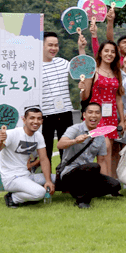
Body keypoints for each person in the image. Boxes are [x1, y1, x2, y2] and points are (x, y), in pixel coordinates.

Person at [56, 102, 122, 208]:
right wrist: (75, 141)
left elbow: (102, 161)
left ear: (100, 116)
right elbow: (60, 144)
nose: (93, 115)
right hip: (70, 173)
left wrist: (105, 179)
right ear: (84, 115)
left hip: (89, 174)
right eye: (90, 112)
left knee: (115, 185)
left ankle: (79, 191)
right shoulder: (75, 129)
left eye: (97, 113)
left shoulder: (100, 136)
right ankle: (82, 201)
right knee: (93, 167)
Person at [0, 107, 54, 208]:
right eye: (32, 118)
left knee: (57, 179)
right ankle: (13, 198)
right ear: (24, 120)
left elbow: (43, 159)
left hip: (27, 176)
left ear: (42, 121)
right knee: (40, 193)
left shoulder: (38, 136)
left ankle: (29, 194)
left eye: (39, 118)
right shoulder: (12, 134)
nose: (36, 121)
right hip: (12, 178)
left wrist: (48, 181)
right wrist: (0, 142)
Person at [79, 40, 125, 176]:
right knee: (105, 147)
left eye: (112, 52)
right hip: (96, 115)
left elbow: (118, 98)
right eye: (106, 51)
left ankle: (107, 181)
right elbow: (85, 97)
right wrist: (82, 88)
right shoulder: (93, 71)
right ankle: (103, 181)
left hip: (111, 116)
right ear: (100, 53)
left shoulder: (116, 72)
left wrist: (122, 120)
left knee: (107, 152)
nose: (109, 54)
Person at [39, 32, 76, 170]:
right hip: (45, 114)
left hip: (65, 112)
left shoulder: (62, 62)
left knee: (67, 150)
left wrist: (81, 48)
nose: (53, 48)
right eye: (50, 45)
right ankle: (46, 179)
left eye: (56, 45)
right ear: (42, 46)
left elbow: (81, 69)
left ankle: (66, 178)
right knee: (45, 149)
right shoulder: (34, 66)